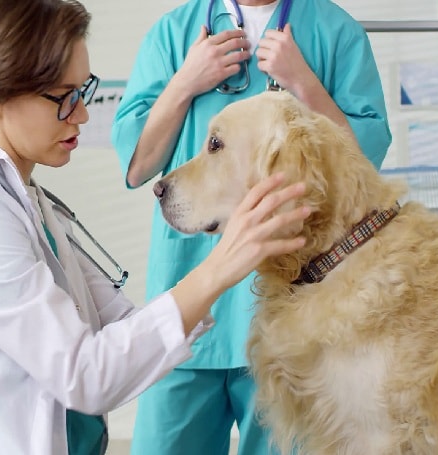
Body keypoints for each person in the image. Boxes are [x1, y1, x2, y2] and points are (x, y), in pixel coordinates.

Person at [0, 0, 311, 454]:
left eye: (84, 90)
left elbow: (123, 327)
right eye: (63, 97)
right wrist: (219, 267)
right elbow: (86, 375)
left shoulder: (30, 202)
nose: (80, 115)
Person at [111, 0, 392, 454]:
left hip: (297, 317)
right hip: (192, 306)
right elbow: (138, 165)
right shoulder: (175, 34)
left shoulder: (334, 32)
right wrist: (186, 82)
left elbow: (361, 168)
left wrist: (305, 84)